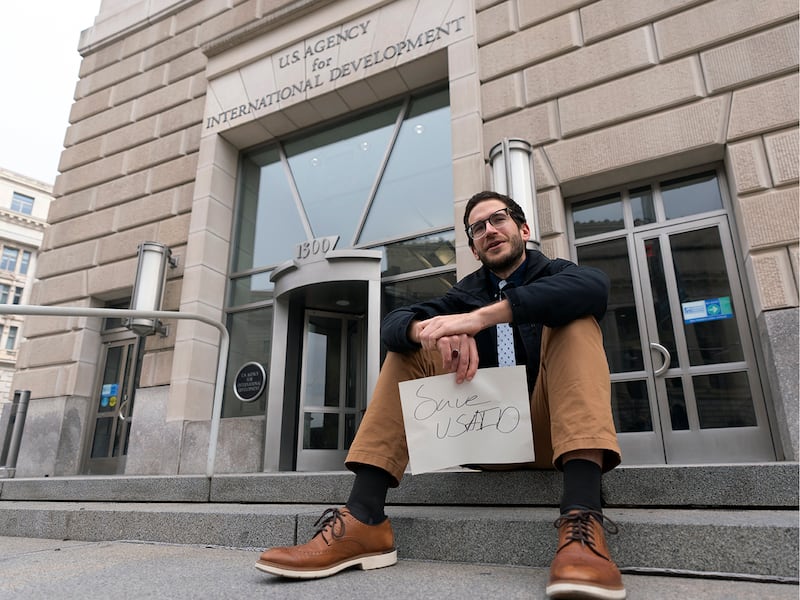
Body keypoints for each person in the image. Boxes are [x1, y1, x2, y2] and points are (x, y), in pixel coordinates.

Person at [255, 191, 626, 600]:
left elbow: (594, 288)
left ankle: (582, 520)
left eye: (498, 220)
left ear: (523, 229)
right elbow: (393, 324)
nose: (489, 231)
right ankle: (363, 518)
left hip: (551, 435)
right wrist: (432, 333)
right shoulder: (463, 292)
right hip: (484, 436)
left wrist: (482, 318)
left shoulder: (557, 272)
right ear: (473, 246)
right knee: (411, 344)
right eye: (478, 228)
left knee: (574, 321)